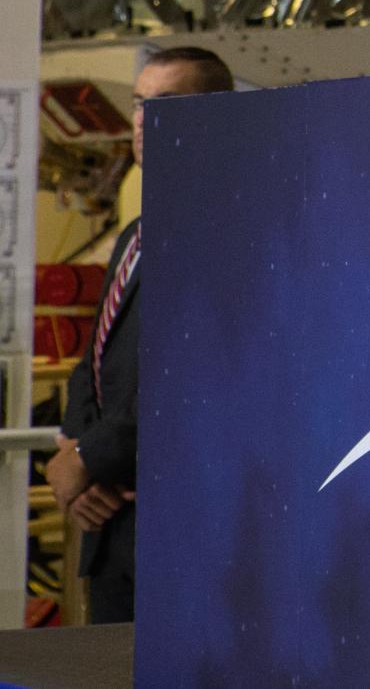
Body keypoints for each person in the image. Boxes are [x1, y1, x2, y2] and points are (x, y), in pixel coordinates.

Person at [46, 44, 235, 623]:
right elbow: (96, 360)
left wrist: (88, 456)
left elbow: (192, 378)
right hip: (111, 525)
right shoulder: (136, 234)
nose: (144, 122)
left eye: (167, 104)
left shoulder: (229, 228)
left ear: (218, 116)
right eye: (139, 104)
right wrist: (76, 456)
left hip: (184, 531)